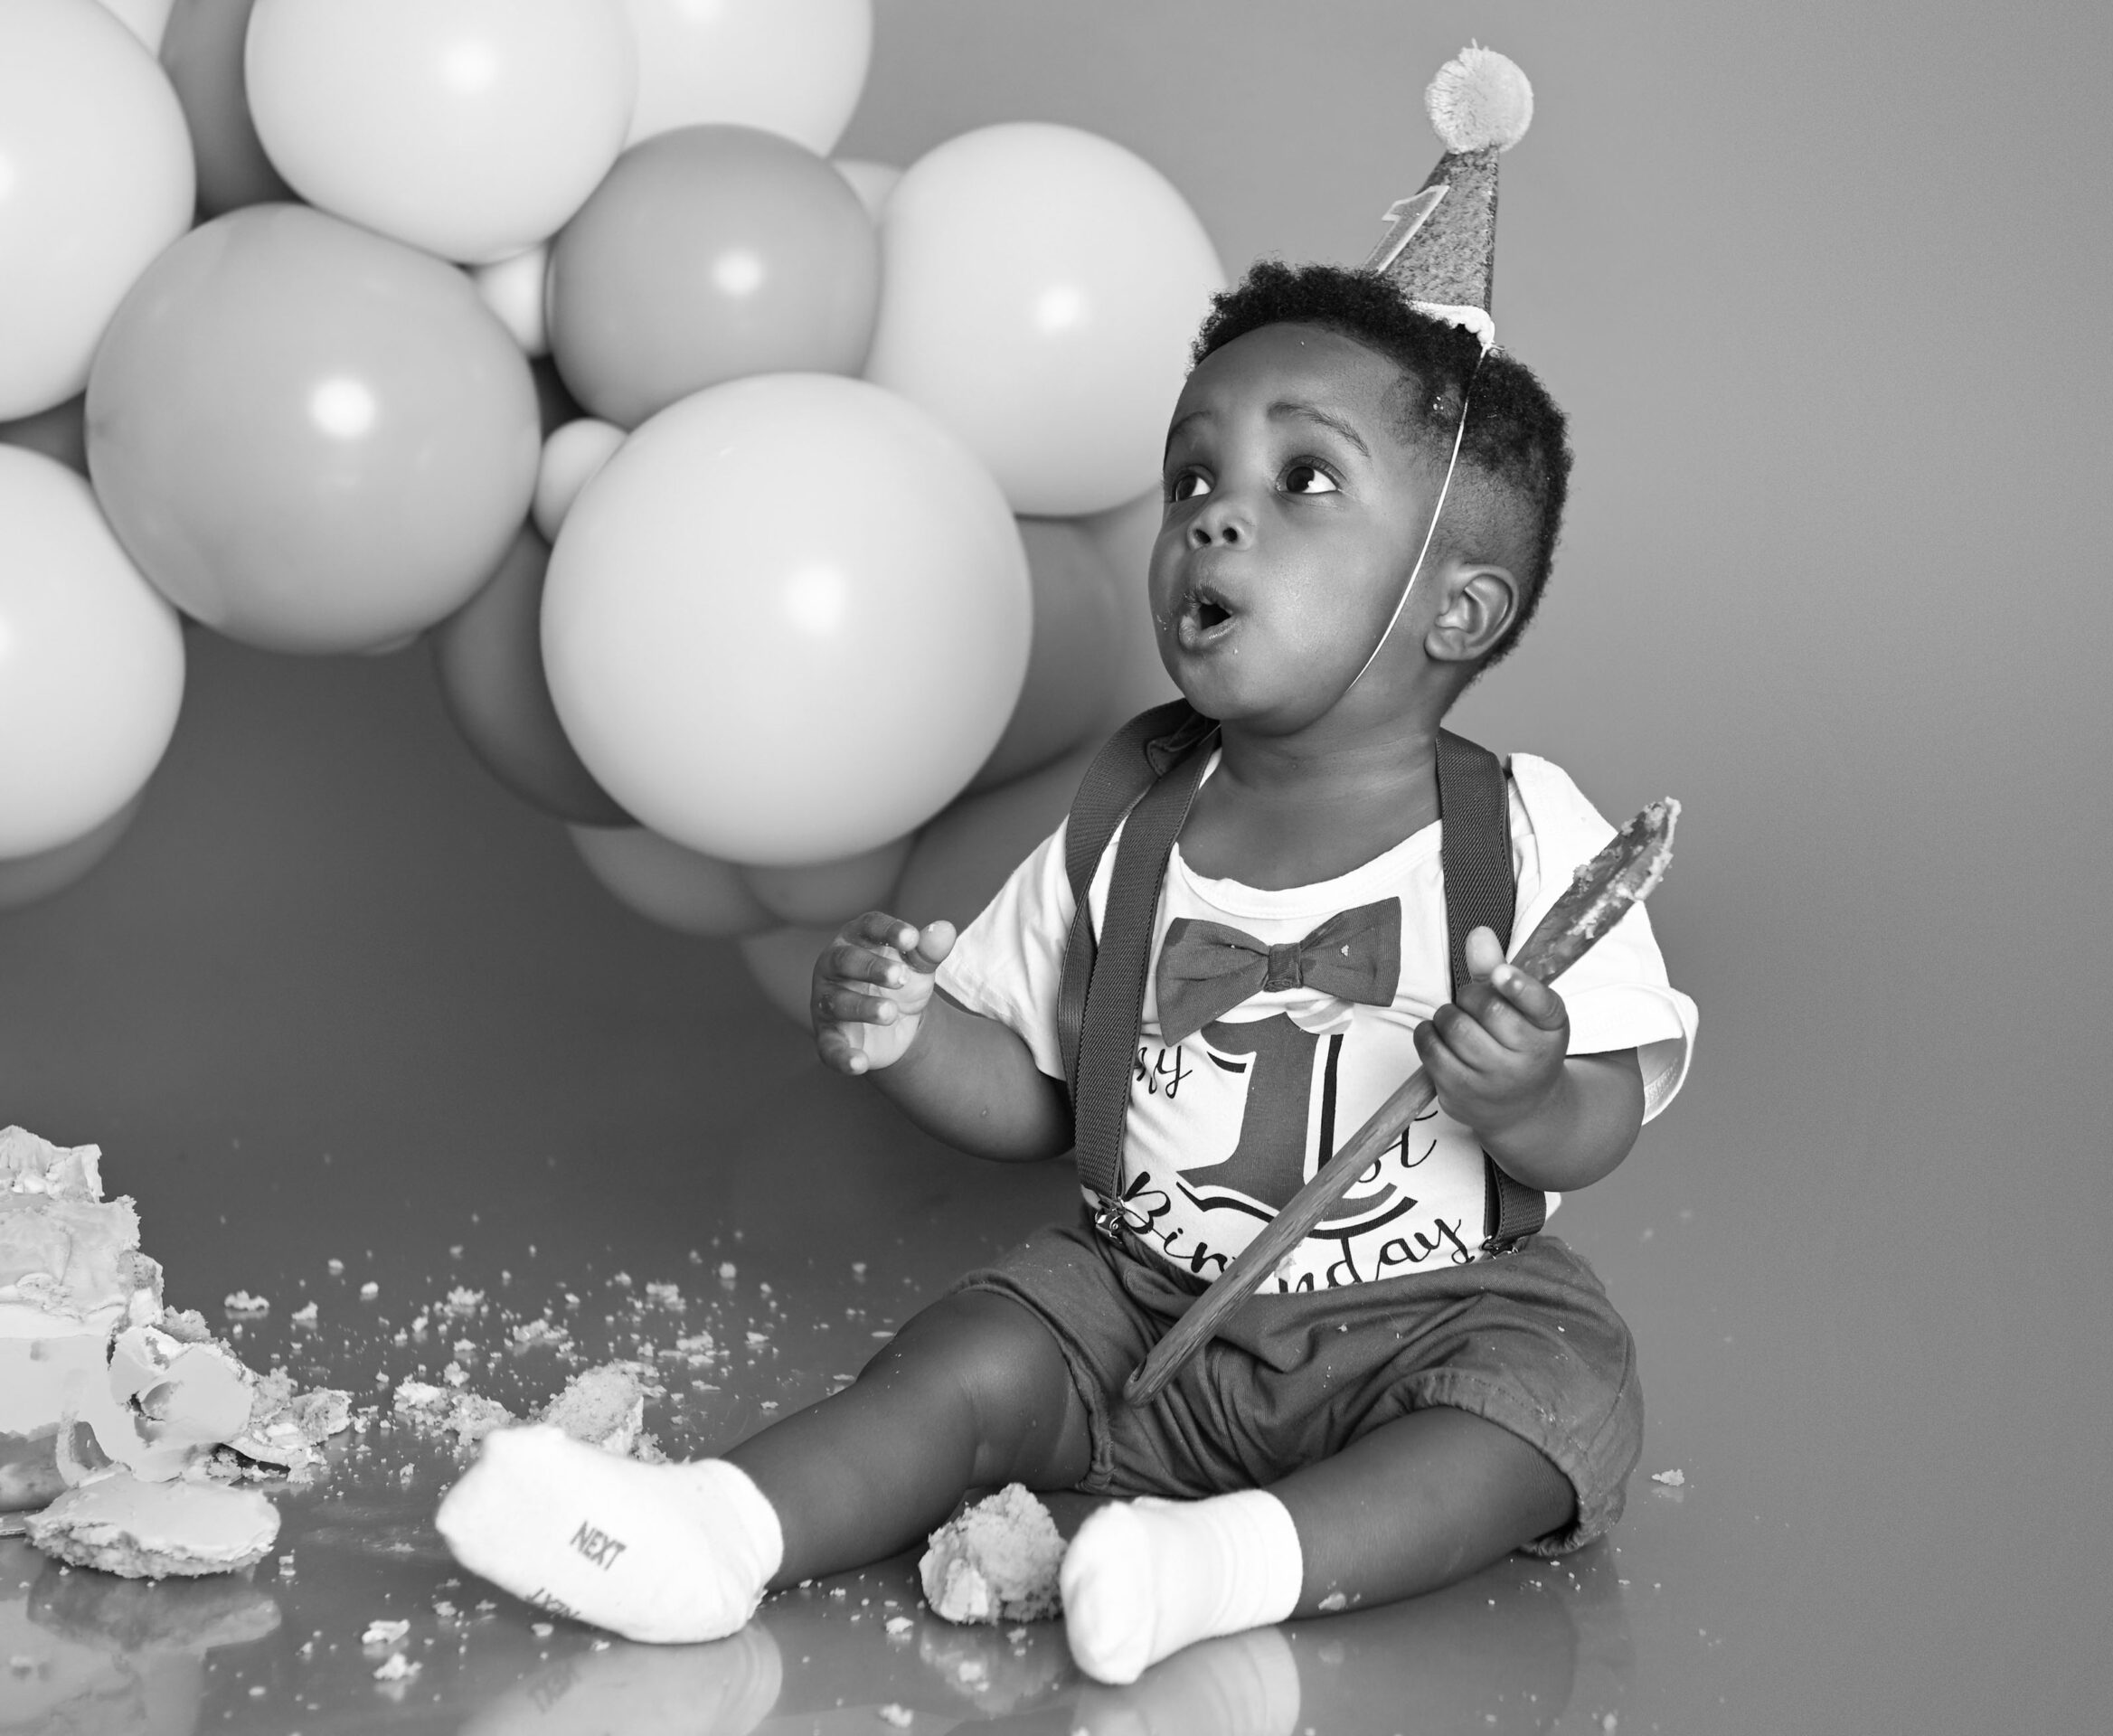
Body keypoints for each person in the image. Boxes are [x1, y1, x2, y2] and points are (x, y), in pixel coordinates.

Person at [437, 47, 1696, 1687]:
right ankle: (714, 1530)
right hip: (1142, 1300)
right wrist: (909, 1038)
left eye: (1304, 480)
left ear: (1456, 610)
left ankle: (1222, 1565)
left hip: (1426, 1314)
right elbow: (1035, 1094)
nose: (1214, 519)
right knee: (968, 1357)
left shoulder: (1524, 832)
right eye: (1194, 478)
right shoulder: (1133, 813)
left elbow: (1603, 1116)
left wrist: (1526, 1090)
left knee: (1549, 1402)